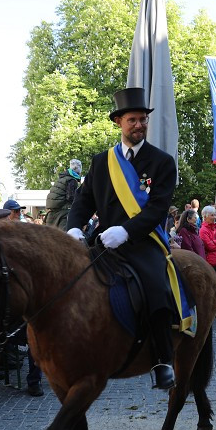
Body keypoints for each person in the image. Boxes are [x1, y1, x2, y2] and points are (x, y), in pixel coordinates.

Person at [66, 87, 179, 390]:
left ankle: (163, 359)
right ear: (119, 121)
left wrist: (127, 231)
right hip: (103, 241)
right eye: (133, 120)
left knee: (157, 288)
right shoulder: (101, 162)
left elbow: (157, 208)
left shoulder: (162, 162)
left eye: (143, 120)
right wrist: (74, 227)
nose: (139, 125)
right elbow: (83, 200)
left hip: (143, 242)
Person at [198, 205, 216, 312]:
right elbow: (209, 246)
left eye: (215, 215)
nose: (215, 217)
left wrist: (215, 242)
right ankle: (208, 307)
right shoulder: (203, 230)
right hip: (208, 262)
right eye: (212, 215)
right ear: (205, 216)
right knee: (209, 286)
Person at [44, 159, 82, 228]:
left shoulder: (61, 179)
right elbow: (71, 197)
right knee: (64, 236)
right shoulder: (72, 180)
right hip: (63, 213)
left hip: (52, 212)